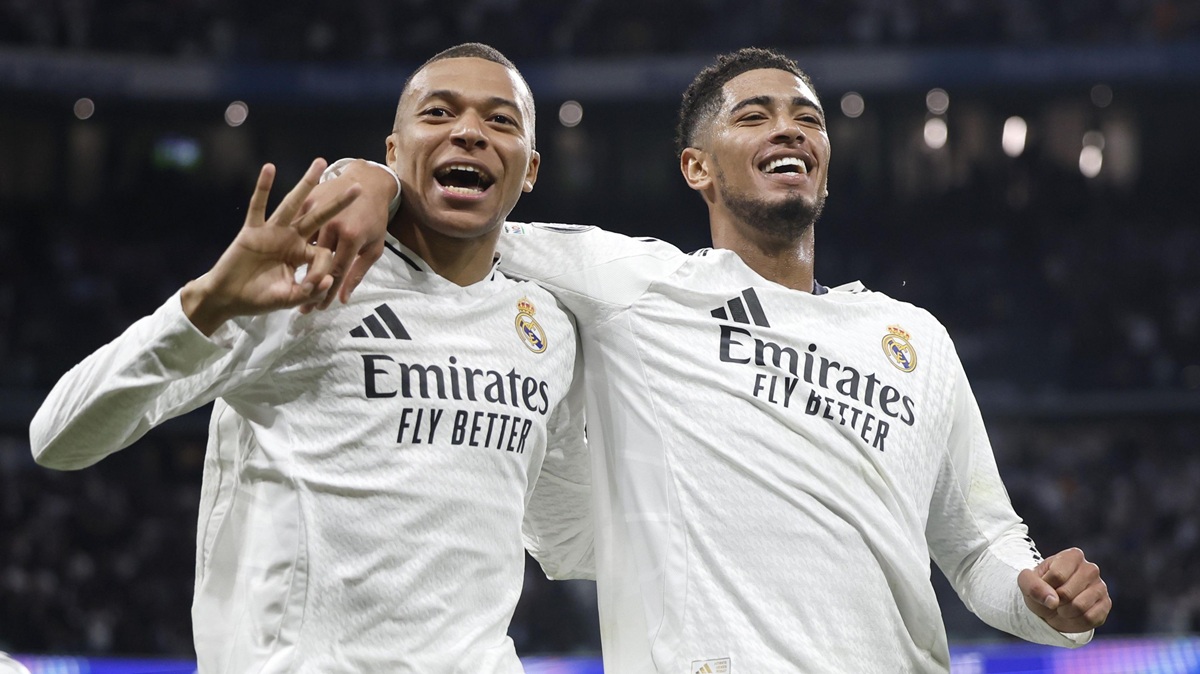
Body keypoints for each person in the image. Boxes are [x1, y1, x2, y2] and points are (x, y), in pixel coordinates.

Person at [323, 47, 1110, 673]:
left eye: (808, 118)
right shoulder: (634, 285)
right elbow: (462, 209)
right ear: (697, 167)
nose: (790, 129)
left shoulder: (914, 338)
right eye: (754, 116)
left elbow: (977, 544)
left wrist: (1035, 597)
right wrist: (367, 178)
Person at [29, 43, 591, 673]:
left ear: (532, 167)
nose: (468, 132)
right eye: (438, 113)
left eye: (500, 120)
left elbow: (570, 536)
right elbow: (59, 436)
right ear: (393, 152)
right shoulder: (304, 283)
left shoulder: (548, 327)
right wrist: (206, 302)